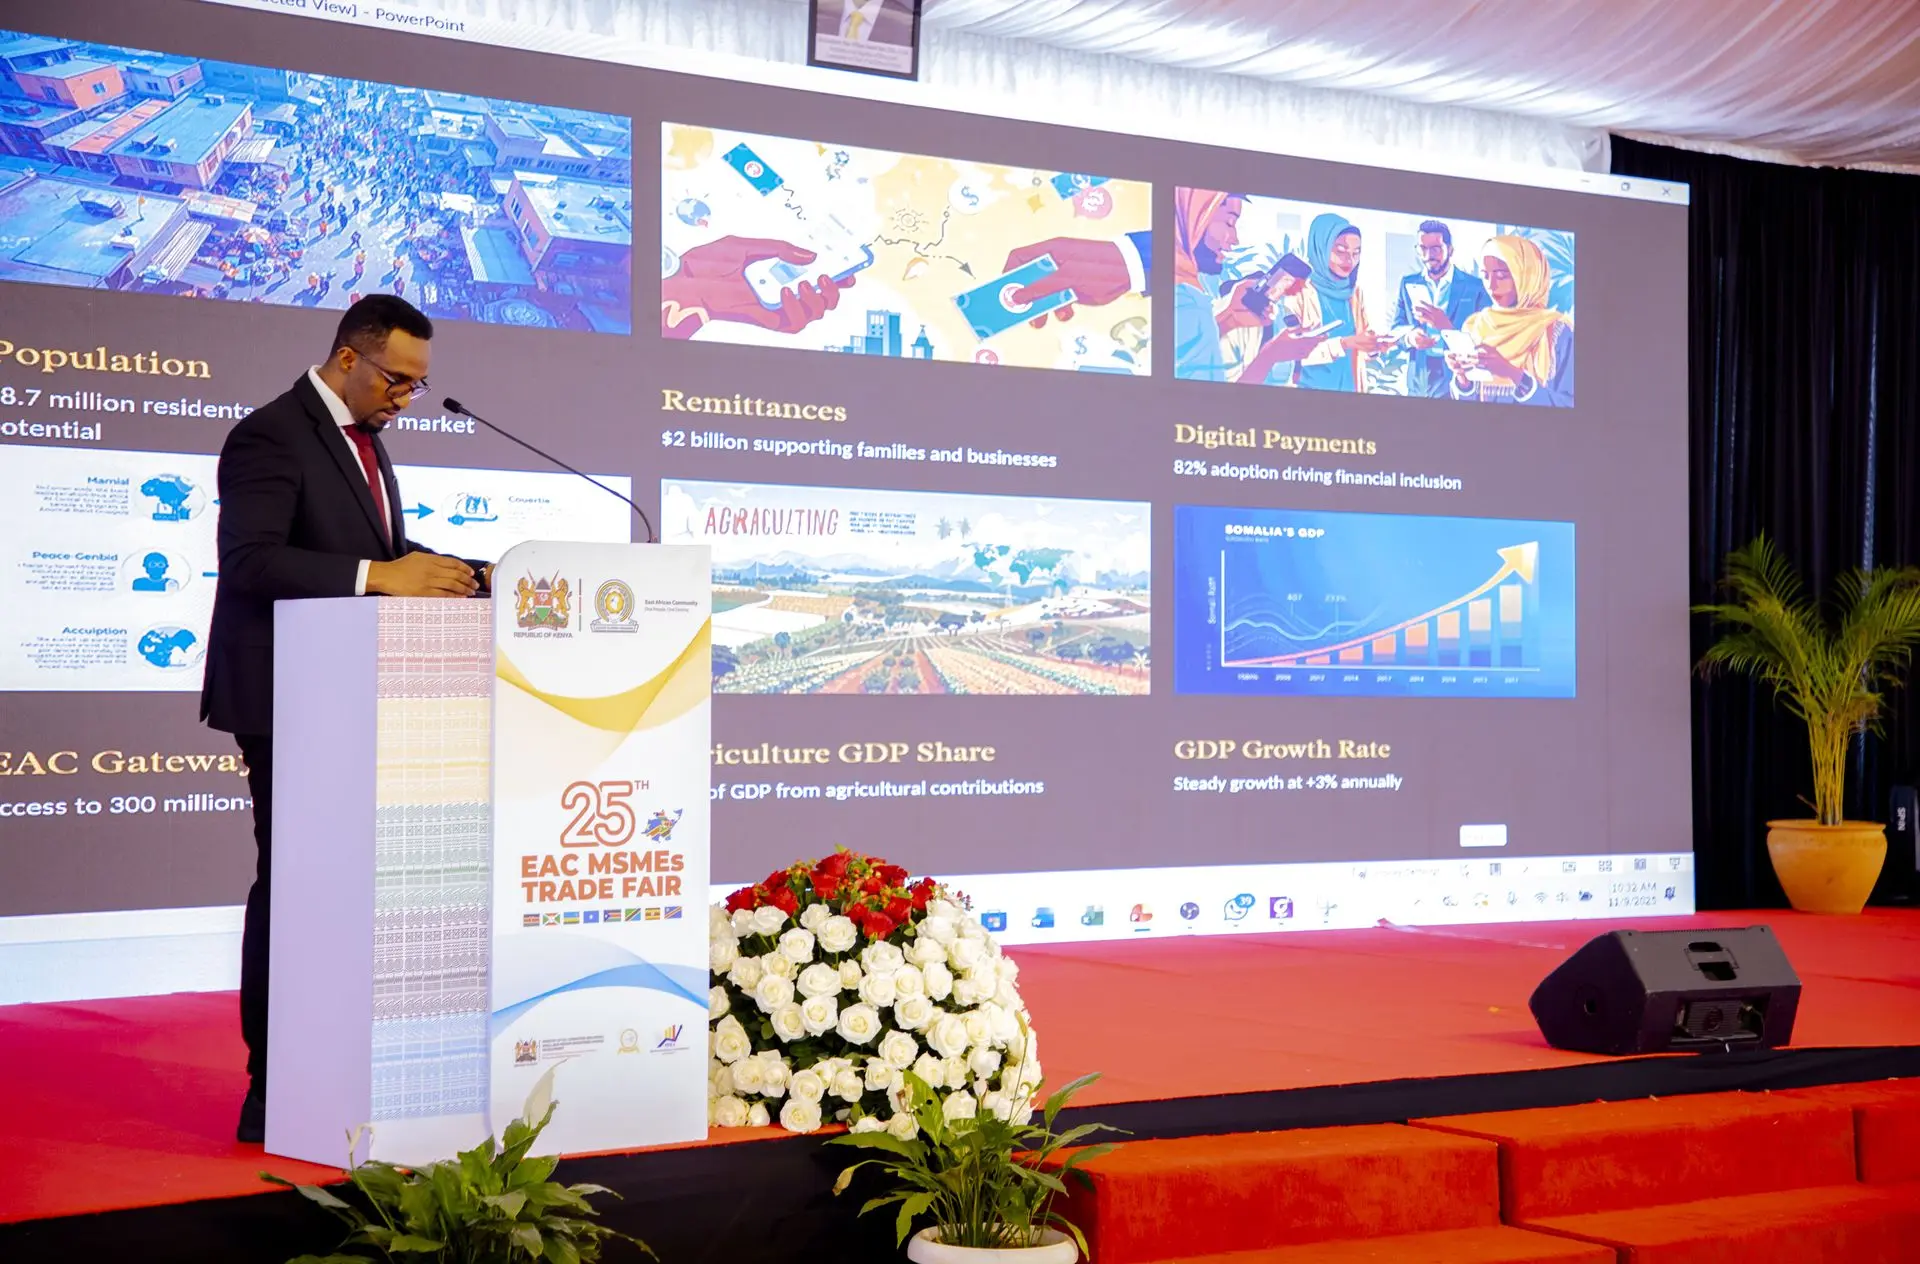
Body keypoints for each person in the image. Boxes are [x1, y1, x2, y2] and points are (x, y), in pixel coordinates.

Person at [201, 295, 490, 1144]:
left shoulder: (367, 440)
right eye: (398, 380)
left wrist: (457, 570)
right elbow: (250, 561)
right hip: (286, 701)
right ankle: (272, 1086)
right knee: (293, 888)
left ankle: (346, 1067)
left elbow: (374, 548)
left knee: (348, 891)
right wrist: (378, 577)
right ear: (348, 359)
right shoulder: (270, 434)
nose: (408, 398)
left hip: (354, 699)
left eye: (418, 384)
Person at [1172, 189, 1324, 385]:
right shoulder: (1182, 297)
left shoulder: (1193, 294)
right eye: (1229, 223)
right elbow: (1204, 395)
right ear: (1197, 216)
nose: (1234, 239)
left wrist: (1228, 318)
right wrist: (1271, 354)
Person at [1448, 235, 1575, 406]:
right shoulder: (1474, 326)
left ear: (1528, 276)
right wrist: (1463, 380)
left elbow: (1570, 404)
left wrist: (1512, 373)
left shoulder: (1555, 331)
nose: (1491, 285)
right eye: (1485, 275)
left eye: (1501, 275)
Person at [1285, 212, 1394, 393]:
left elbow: (1359, 345)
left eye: (1356, 253)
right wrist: (1344, 343)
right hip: (1309, 396)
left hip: (1350, 396)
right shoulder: (1297, 291)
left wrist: (1374, 346)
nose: (1349, 260)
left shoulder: (1354, 293)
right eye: (1341, 251)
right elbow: (1291, 353)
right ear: (1321, 248)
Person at [1391, 219, 1491, 398]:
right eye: (1423, 248)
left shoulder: (1475, 287)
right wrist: (1410, 337)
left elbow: (1485, 339)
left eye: (1436, 248)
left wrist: (1446, 326)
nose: (1428, 255)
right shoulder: (1408, 283)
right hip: (1419, 377)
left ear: (1450, 250)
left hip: (1459, 377)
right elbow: (1396, 328)